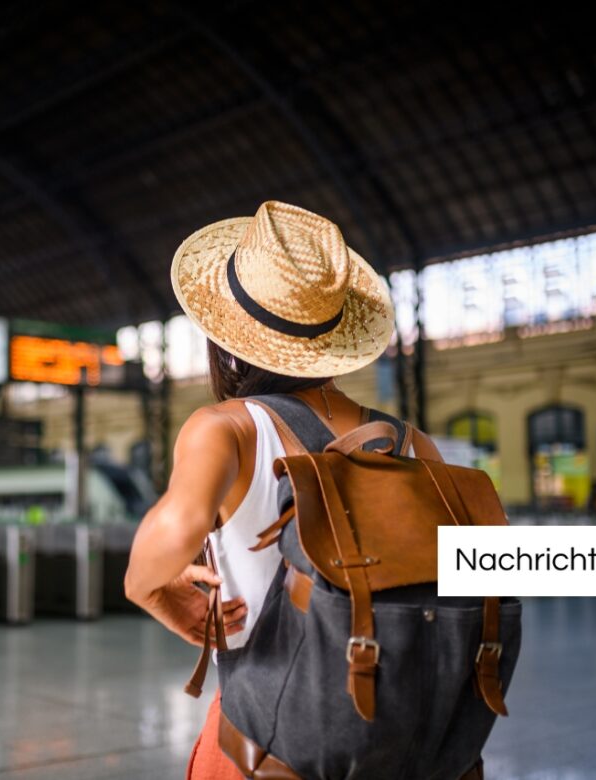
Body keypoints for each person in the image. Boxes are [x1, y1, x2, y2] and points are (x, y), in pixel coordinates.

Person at [124, 201, 396, 779]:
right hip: (397, 737)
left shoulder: (228, 428)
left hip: (266, 740)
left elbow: (169, 537)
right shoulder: (409, 441)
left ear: (225, 332)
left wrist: (155, 591)